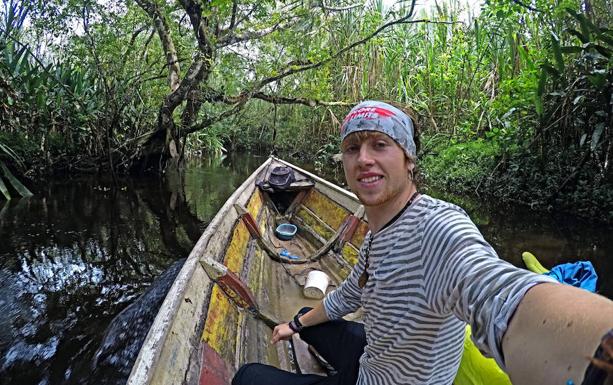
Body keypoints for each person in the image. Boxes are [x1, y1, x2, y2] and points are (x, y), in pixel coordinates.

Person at [232, 101, 613, 385]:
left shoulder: (439, 227)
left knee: (249, 376)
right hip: (376, 359)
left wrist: (600, 352)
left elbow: (498, 294)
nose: (363, 159)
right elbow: (350, 294)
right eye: (352, 148)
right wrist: (296, 323)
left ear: (408, 158)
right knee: (312, 327)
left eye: (379, 144)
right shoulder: (379, 230)